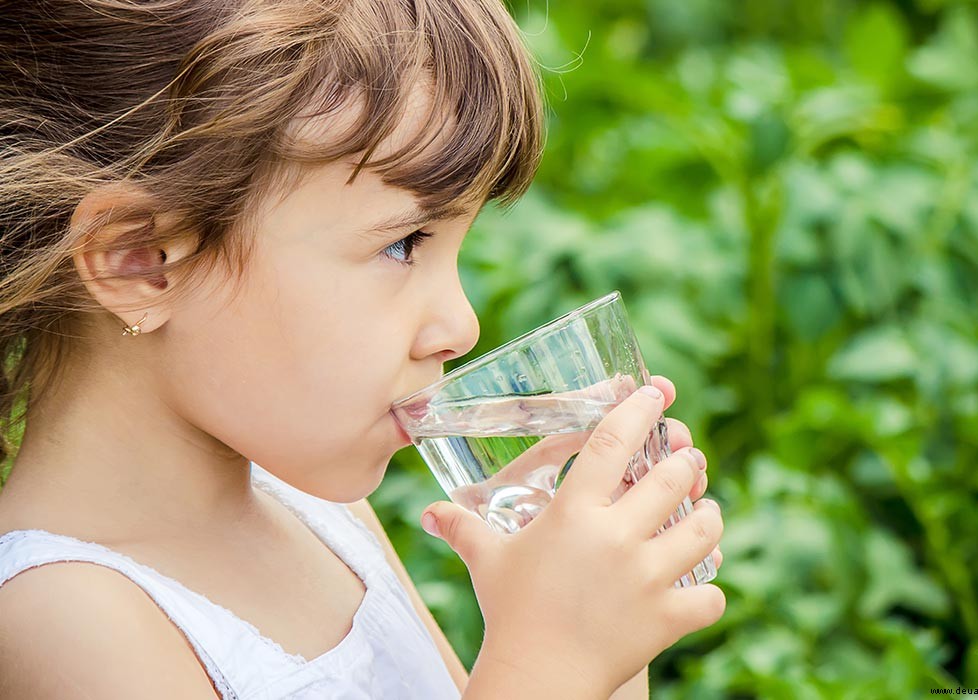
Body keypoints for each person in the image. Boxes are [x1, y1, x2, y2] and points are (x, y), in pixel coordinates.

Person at [0, 1, 726, 697]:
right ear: (141, 260)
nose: (461, 325)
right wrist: (552, 661)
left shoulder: (323, 519)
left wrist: (599, 634)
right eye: (403, 244)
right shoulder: (61, 618)